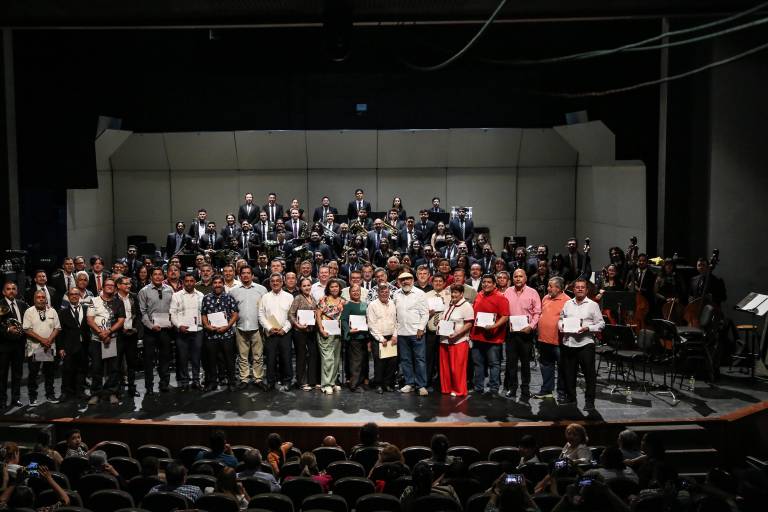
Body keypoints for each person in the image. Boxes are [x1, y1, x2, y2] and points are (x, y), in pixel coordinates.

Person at [559, 278, 604, 410]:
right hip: (569, 343)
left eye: (582, 287)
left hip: (585, 344)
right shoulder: (567, 304)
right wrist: (561, 327)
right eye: (577, 287)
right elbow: (561, 319)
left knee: (589, 375)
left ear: (586, 290)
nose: (579, 289)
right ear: (573, 290)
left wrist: (588, 328)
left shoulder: (593, 305)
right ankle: (571, 398)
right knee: (569, 374)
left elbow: (601, 324)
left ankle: (589, 402)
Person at [84, 278, 125, 405]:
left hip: (112, 339)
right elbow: (90, 320)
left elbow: (121, 320)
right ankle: (96, 394)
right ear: (102, 287)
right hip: (97, 340)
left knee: (114, 368)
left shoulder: (119, 302)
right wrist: (101, 333)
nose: (110, 287)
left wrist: (109, 332)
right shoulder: (93, 301)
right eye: (107, 285)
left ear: (115, 288)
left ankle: (112, 393)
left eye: (112, 285)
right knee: (96, 368)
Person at [503, 269, 542, 401]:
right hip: (511, 333)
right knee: (511, 363)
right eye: (516, 276)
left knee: (525, 364)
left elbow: (537, 313)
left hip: (526, 333)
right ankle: (512, 388)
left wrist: (531, 327)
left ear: (525, 278)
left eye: (521, 276)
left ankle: (525, 389)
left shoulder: (533, 292)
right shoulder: (507, 292)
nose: (518, 279)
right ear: (512, 279)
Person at [470, 274, 509, 395]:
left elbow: (505, 316)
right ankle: (478, 387)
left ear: (494, 284)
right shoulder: (479, 295)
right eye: (484, 282)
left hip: (493, 338)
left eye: (489, 282)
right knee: (478, 364)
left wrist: (494, 326)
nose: (486, 284)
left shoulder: (501, 298)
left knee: (494, 364)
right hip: (477, 336)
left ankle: (494, 388)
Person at [229, 266, 267, 390]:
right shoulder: (233, 291)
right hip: (240, 327)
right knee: (242, 356)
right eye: (243, 273)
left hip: (257, 327)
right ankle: (244, 379)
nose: (245, 275)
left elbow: (266, 309)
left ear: (252, 275)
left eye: (248, 273)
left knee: (258, 355)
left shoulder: (261, 289)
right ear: (239, 276)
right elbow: (230, 310)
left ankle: (258, 378)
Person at [138, 267, 174, 394]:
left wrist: (172, 322)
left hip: (166, 330)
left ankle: (164, 384)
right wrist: (150, 326)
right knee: (148, 360)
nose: (158, 277)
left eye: (160, 274)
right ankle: (149, 387)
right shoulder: (144, 291)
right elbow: (142, 312)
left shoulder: (169, 290)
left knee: (165, 358)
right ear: (151, 277)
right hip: (150, 331)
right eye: (155, 274)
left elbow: (173, 310)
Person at [23, 289, 61, 405]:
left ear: (46, 299)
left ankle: (50, 395)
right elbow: (27, 329)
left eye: (43, 297)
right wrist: (42, 340)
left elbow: (57, 328)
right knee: (33, 374)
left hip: (48, 347)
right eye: (38, 297)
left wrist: (48, 340)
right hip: (35, 348)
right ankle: (32, 396)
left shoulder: (52, 311)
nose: (40, 299)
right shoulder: (29, 311)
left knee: (49, 373)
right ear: (34, 299)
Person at [393, 272, 429, 396]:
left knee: (419, 359)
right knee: (405, 359)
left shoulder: (420, 294)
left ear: (413, 280)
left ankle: (421, 385)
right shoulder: (396, 294)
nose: (405, 282)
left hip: (416, 332)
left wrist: (420, 328)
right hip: (402, 332)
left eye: (407, 279)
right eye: (402, 279)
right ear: (399, 281)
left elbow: (425, 313)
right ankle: (409, 383)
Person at [201, 275, 239, 391]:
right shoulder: (206, 298)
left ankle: (231, 382)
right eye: (215, 283)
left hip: (226, 334)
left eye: (219, 283)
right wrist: (207, 326)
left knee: (229, 360)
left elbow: (235, 314)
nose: (217, 285)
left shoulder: (229, 297)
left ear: (223, 284)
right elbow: (203, 314)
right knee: (211, 360)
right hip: (211, 335)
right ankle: (213, 382)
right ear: (212, 285)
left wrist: (227, 326)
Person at [534, 277, 569, 401]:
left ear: (559, 288)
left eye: (550, 286)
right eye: (548, 286)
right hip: (544, 340)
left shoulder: (567, 301)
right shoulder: (545, 298)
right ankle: (547, 390)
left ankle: (562, 393)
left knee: (562, 368)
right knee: (545, 366)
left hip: (559, 342)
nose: (548, 288)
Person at [259, 273, 294, 391]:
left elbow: (292, 316)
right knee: (270, 358)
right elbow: (261, 315)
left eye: (277, 281)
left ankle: (287, 380)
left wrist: (284, 329)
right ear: (270, 283)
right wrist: (269, 328)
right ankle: (270, 382)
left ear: (282, 282)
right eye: (272, 281)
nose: (275, 283)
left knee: (286, 358)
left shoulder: (289, 297)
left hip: (285, 332)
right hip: (271, 332)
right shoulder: (265, 297)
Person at [170, 273, 204, 391]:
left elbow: (203, 313)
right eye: (187, 281)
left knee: (196, 358)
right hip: (182, 331)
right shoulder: (176, 296)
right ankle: (184, 382)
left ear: (195, 282)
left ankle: (196, 381)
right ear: (183, 282)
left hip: (198, 330)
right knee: (183, 358)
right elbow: (172, 314)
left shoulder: (201, 295)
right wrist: (179, 326)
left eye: (191, 281)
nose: (189, 283)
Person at [439, 284, 474, 397]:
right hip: (444, 340)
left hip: (459, 341)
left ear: (462, 294)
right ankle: (447, 388)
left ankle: (459, 390)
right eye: (452, 292)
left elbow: (469, 323)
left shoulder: (466, 306)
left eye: (456, 293)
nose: (453, 295)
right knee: (445, 367)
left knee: (457, 368)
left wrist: (457, 333)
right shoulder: (449, 304)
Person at [289, 277, 319, 391]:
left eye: (308, 285)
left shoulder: (313, 298)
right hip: (300, 332)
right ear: (300, 288)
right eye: (304, 286)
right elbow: (291, 314)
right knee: (301, 356)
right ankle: (301, 382)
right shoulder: (298, 298)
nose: (307, 287)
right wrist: (297, 325)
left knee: (313, 355)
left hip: (311, 331)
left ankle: (312, 381)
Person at [316, 278, 346, 394]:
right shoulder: (323, 300)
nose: (334, 288)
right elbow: (318, 315)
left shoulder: (343, 300)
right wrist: (321, 329)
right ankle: (326, 384)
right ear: (328, 288)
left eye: (336, 287)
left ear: (339, 288)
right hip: (325, 333)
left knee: (336, 358)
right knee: (327, 359)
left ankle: (333, 382)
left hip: (337, 333)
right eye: (332, 286)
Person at [0, 282, 28, 409]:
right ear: (3, 292)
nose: (11, 291)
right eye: (8, 289)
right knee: (2, 374)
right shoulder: (0, 304)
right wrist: (7, 330)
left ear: (16, 291)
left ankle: (15, 399)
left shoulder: (22, 304)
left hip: (19, 344)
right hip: (4, 345)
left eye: (13, 289)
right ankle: (2, 400)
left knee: (18, 373)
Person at [367, 284, 398, 394]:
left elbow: (397, 321)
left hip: (391, 337)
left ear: (389, 293)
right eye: (382, 292)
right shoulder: (372, 305)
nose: (384, 294)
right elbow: (371, 324)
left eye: (386, 292)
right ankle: (378, 384)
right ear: (378, 293)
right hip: (378, 337)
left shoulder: (393, 304)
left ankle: (388, 384)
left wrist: (395, 335)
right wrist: (380, 338)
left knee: (392, 362)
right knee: (379, 362)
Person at [0, 464, 71, 510]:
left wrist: (15, 482)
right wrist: (49, 479)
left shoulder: (6, 509)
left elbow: (2, 500)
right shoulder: (42, 511)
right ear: (33, 500)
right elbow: (65, 501)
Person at [116, 276, 141, 397]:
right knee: (118, 363)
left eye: (129, 283)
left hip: (132, 334)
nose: (128, 286)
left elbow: (138, 315)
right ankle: (119, 389)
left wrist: (135, 329)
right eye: (125, 284)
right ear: (118, 285)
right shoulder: (114, 298)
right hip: (118, 335)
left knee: (132, 363)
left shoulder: (134, 297)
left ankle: (132, 387)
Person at [340, 284, 368, 392]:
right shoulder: (348, 305)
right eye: (353, 291)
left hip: (364, 336)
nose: (356, 292)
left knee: (363, 361)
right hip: (354, 337)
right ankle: (354, 385)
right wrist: (348, 330)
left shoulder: (364, 304)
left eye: (358, 291)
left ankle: (360, 382)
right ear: (350, 293)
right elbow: (343, 320)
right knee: (355, 362)